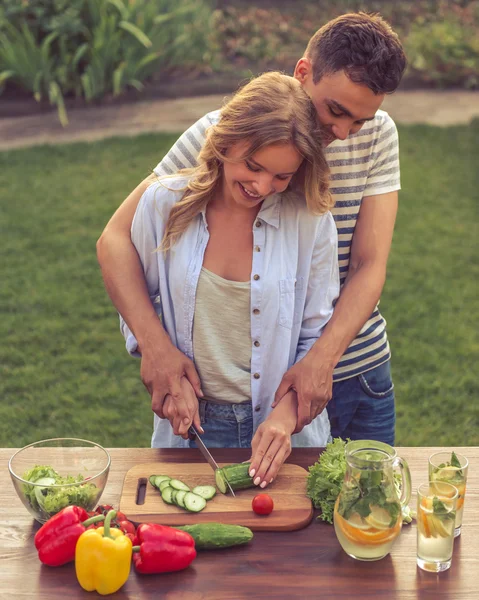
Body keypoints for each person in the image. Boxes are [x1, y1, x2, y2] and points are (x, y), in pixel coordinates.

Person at [97, 12, 407, 448]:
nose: (342, 132)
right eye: (335, 111)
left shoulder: (377, 136)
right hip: (259, 384)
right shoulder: (224, 133)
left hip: (356, 369)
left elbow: (369, 265)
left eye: (359, 120)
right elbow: (116, 239)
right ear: (304, 72)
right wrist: (155, 348)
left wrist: (321, 363)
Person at [110, 72, 339, 487]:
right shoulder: (163, 205)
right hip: (190, 431)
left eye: (282, 177)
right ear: (225, 140)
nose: (262, 186)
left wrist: (285, 419)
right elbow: (136, 292)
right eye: (253, 166)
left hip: (284, 433)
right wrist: (153, 349)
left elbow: (316, 337)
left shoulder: (311, 222)